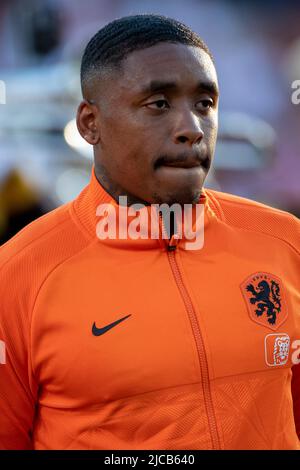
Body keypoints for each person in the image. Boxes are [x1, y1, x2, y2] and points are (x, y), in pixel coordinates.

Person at [0, 14, 299, 450]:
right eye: (158, 103)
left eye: (205, 104)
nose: (193, 129)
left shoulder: (287, 241)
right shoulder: (17, 273)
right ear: (89, 124)